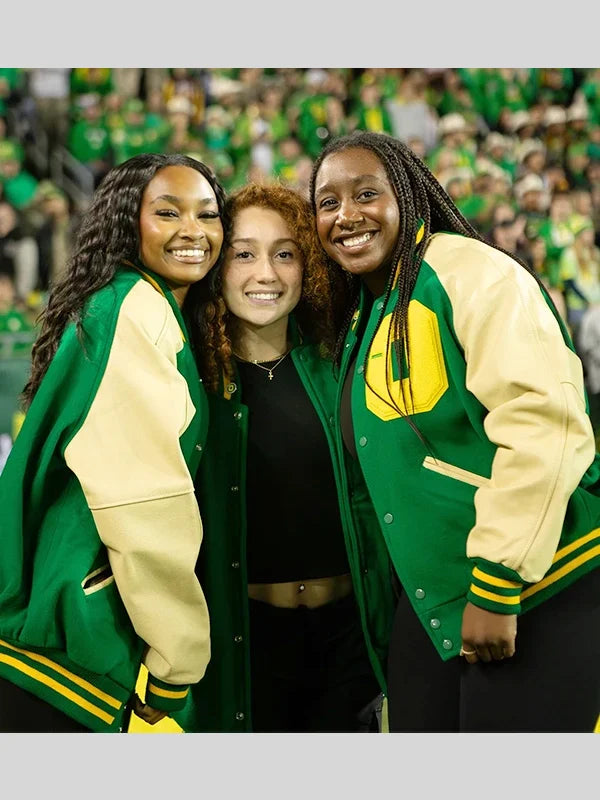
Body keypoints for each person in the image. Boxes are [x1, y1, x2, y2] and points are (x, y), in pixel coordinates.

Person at [310, 131, 600, 733]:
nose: (346, 215)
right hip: (437, 603)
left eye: (367, 193)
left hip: (533, 589)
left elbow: (544, 423)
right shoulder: (367, 308)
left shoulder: (468, 271)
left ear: (410, 194)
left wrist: (497, 582)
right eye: (327, 202)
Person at [0, 152, 226, 732]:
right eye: (168, 212)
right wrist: (177, 662)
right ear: (130, 221)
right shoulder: (135, 308)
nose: (193, 231)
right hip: (77, 642)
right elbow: (143, 503)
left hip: (57, 622)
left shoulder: (130, 302)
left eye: (208, 214)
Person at [175, 182, 393, 733]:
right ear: (216, 267)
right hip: (245, 643)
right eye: (243, 253)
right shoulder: (189, 381)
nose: (265, 274)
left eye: (285, 253)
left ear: (309, 266)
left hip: (351, 642)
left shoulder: (345, 364)